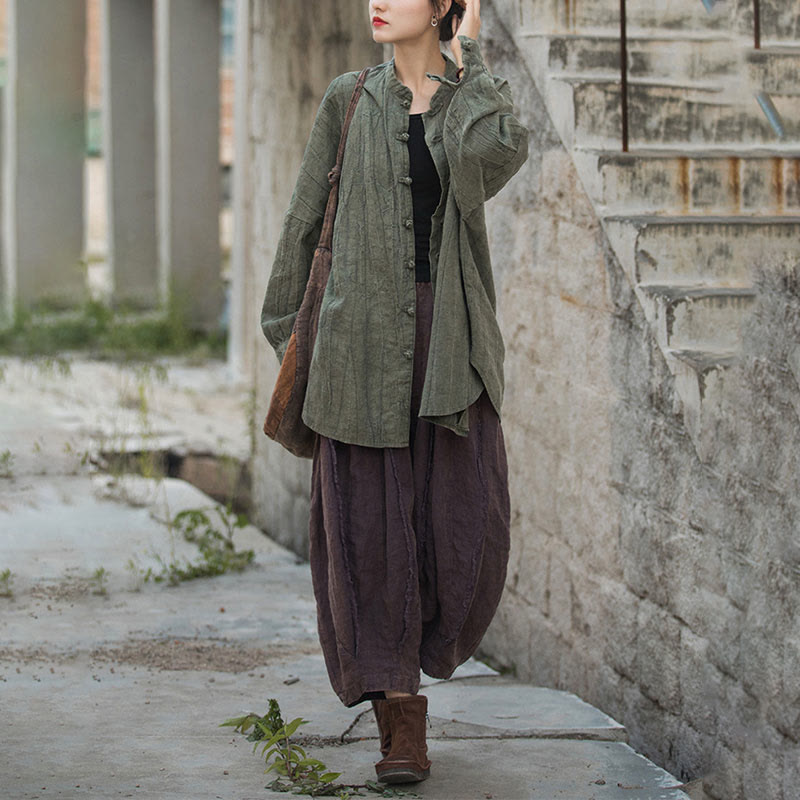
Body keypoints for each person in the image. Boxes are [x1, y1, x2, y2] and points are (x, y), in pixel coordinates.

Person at [260, 0, 529, 785]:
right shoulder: (348, 98)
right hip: (356, 356)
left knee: (464, 521)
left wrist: (467, 56)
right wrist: (302, 342)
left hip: (448, 349)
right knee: (370, 539)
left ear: (446, 5)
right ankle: (399, 721)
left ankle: (424, 658)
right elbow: (301, 228)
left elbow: (496, 152)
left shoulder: (470, 105)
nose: (379, 0)